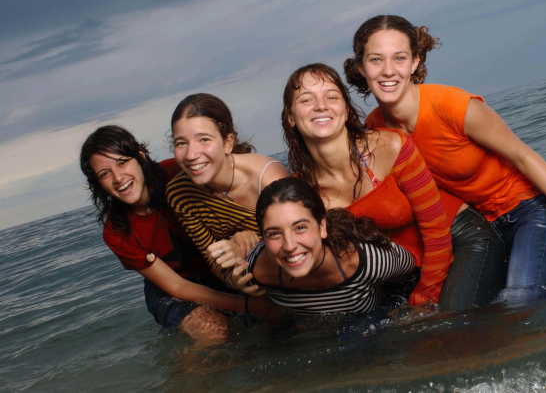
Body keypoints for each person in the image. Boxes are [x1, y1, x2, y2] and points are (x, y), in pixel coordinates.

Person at [343, 14, 546, 301]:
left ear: (414, 63)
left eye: (399, 58)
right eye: (376, 60)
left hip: (530, 212)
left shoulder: (451, 105)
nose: (388, 71)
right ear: (361, 67)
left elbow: (524, 156)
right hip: (482, 229)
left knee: (519, 301)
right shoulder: (375, 131)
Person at [278, 63, 504, 308]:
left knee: (450, 321)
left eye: (331, 97)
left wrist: (425, 294)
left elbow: (437, 231)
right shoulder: (300, 193)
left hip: (459, 236)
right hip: (401, 269)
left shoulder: (390, 146)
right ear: (291, 117)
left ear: (345, 109)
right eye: (306, 100)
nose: (321, 105)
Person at [79, 125, 272, 339]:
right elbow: (177, 286)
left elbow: (238, 202)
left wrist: (244, 233)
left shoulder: (177, 173)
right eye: (104, 174)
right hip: (170, 284)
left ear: (140, 157)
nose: (117, 177)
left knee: (270, 322)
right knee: (214, 331)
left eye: (122, 162)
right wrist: (248, 305)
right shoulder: (116, 232)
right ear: (98, 184)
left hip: (216, 264)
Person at [232, 177, 419, 318]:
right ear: (263, 238)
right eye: (274, 233)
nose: (289, 246)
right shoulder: (256, 270)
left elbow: (412, 276)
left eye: (300, 228)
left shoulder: (367, 259)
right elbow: (226, 273)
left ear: (322, 227)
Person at [166, 93, 290, 290]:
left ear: (228, 143)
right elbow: (213, 258)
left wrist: (251, 244)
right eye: (181, 143)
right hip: (252, 282)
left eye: (204, 139)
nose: (191, 155)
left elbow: (299, 242)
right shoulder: (180, 194)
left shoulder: (269, 179)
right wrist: (235, 280)